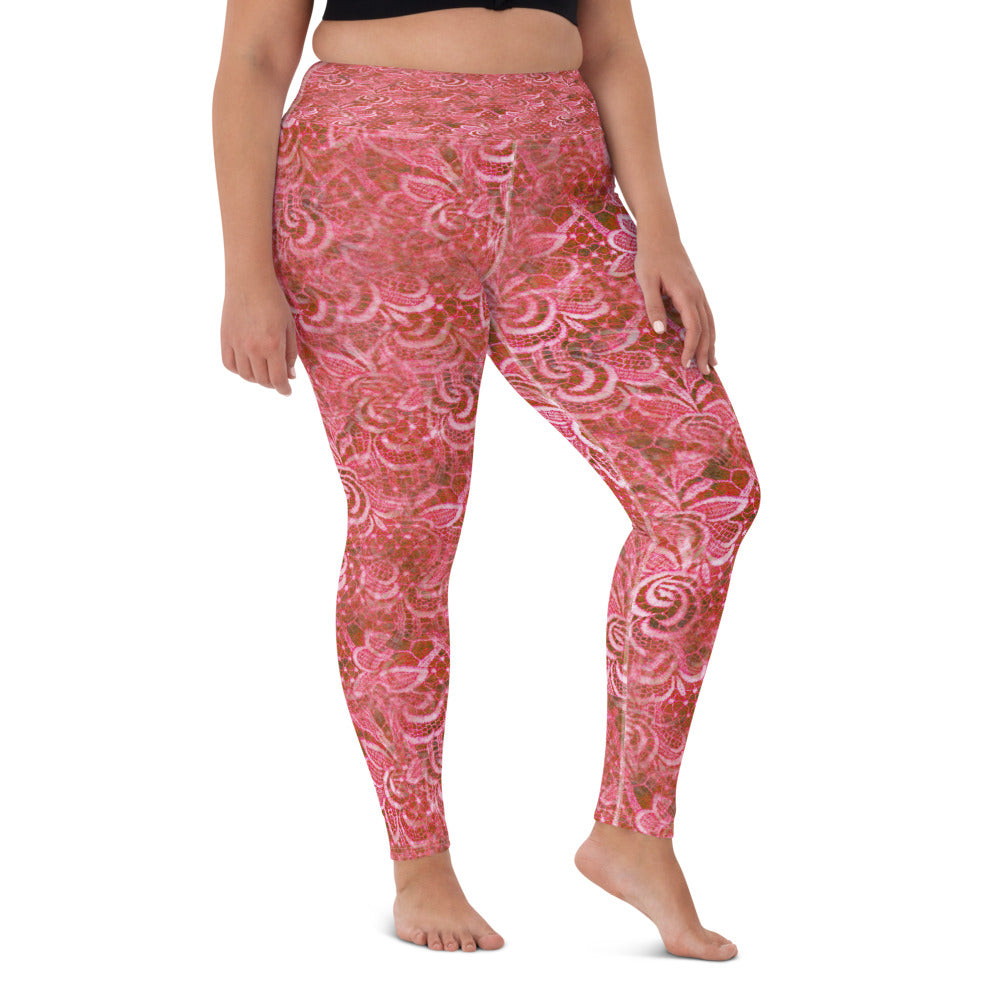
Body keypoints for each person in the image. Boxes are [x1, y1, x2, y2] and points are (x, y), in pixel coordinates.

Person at [213, 0, 760, 960]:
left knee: (707, 489)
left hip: (562, 193)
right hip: (368, 187)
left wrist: (661, 230)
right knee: (405, 528)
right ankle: (419, 860)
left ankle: (633, 828)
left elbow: (613, 46)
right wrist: (245, 274)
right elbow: (256, 55)